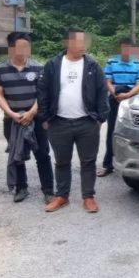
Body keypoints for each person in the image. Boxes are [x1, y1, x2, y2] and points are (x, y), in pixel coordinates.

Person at [37, 28, 109, 213]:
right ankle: (62, 196)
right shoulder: (53, 64)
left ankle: (88, 197)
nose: (83, 46)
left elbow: (102, 91)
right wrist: (45, 118)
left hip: (87, 122)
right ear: (67, 43)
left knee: (88, 161)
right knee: (61, 161)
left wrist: (101, 118)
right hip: (58, 122)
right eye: (78, 42)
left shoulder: (93, 65)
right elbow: (43, 91)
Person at [0, 32, 55, 204]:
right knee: (16, 154)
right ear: (11, 48)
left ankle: (48, 190)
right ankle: (21, 188)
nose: (24, 50)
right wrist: (12, 114)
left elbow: (42, 94)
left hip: (36, 118)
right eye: (20, 46)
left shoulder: (38, 68)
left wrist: (31, 113)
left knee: (42, 154)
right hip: (12, 120)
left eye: (27, 46)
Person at [97, 39, 139, 178]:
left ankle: (136, 164)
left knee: (133, 132)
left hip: (131, 101)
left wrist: (128, 95)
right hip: (114, 99)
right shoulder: (112, 62)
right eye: (124, 48)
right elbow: (108, 81)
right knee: (112, 132)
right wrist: (115, 94)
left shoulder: (138, 64)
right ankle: (108, 165)